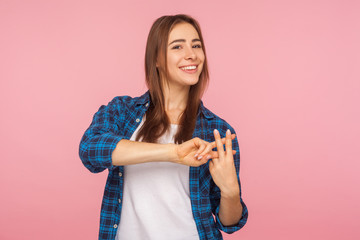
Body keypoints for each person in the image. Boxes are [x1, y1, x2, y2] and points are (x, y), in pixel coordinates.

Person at [79, 14, 248, 240]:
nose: (192, 54)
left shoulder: (217, 129)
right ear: (157, 59)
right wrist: (173, 153)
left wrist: (231, 191)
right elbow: (91, 149)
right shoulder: (123, 111)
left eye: (196, 45)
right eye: (177, 46)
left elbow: (229, 223)